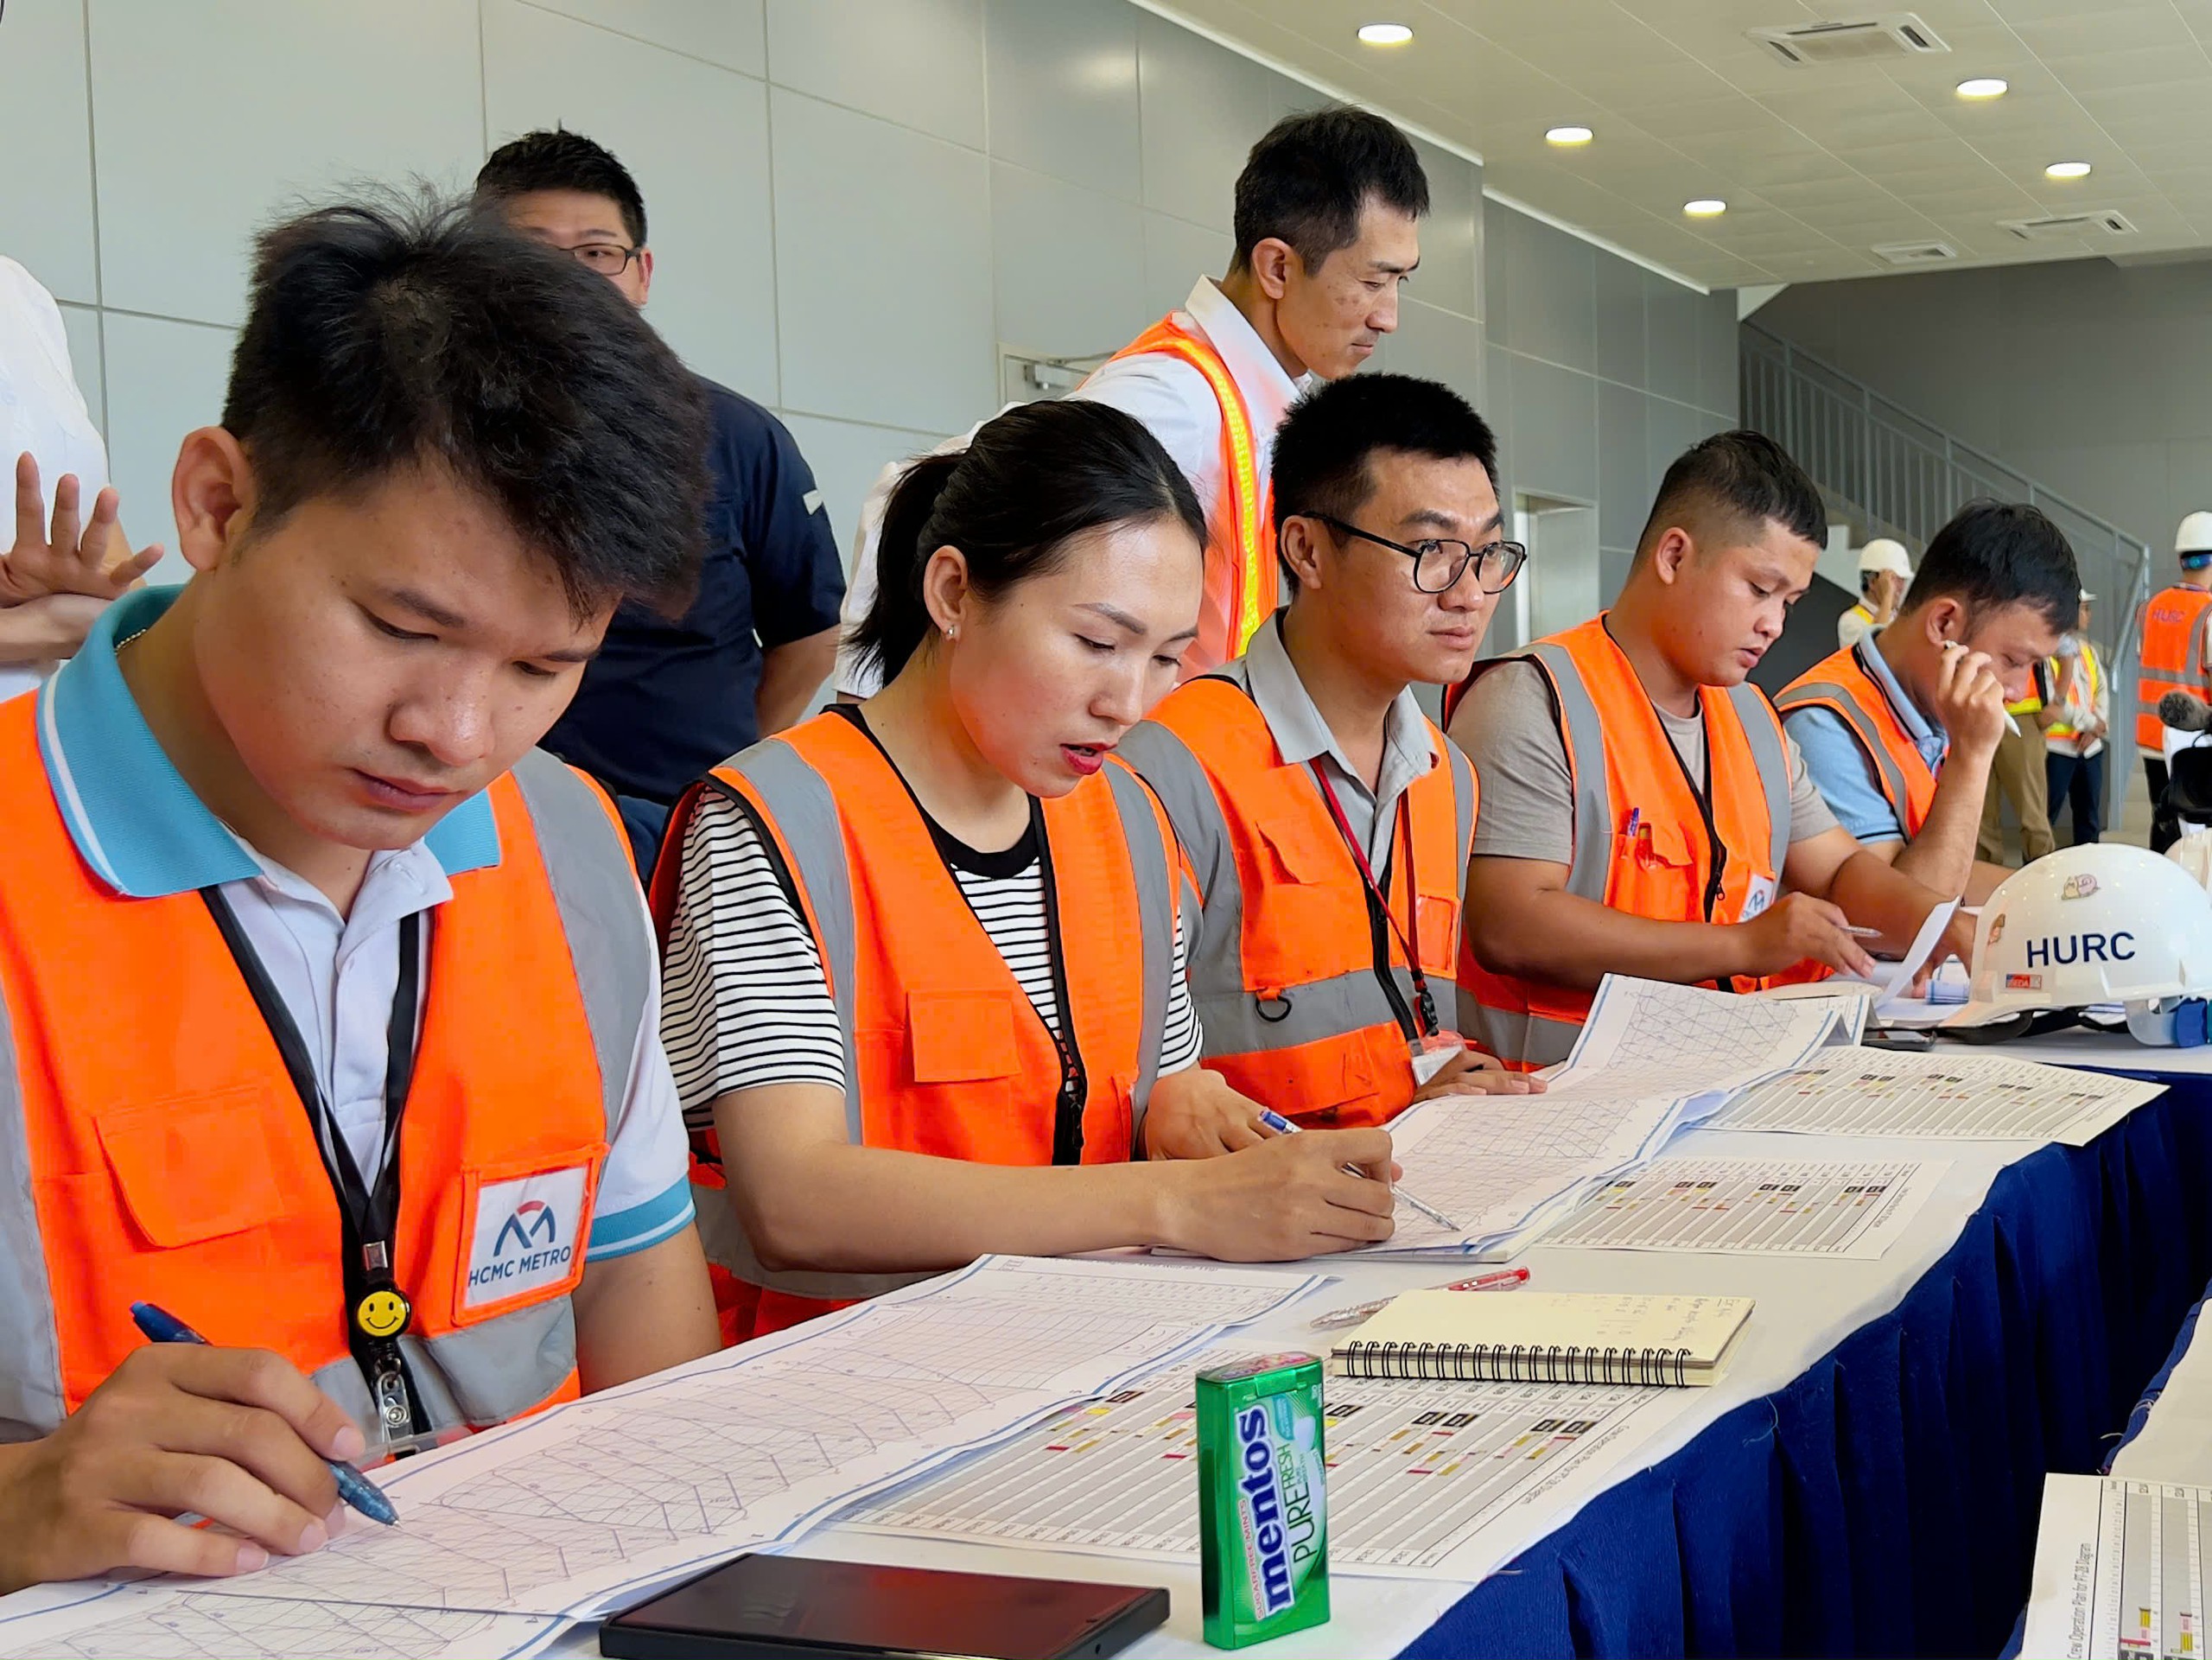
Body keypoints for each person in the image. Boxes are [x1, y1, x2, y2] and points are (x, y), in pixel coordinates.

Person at [0, 196, 721, 1594]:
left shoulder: (566, 845)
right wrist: (21, 1505)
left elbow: (637, 1292)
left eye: (542, 668)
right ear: (217, 503)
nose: (457, 734)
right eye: (404, 628)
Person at [657, 398, 1399, 1341]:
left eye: (1166, 658)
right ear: (955, 592)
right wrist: (1172, 1200)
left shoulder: (1126, 815)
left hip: (1078, 1358)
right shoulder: (773, 824)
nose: (1127, 698)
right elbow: (796, 1197)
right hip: (832, 1390)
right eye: (1096, 643)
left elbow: (1144, 1076)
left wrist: (1195, 1111)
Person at [834, 106, 1429, 697]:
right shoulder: (1175, 398)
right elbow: (909, 495)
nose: (1388, 316)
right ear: (1277, 266)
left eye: (1401, 282)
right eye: (1373, 282)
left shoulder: (1257, 397)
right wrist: (871, 713)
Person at [1449, 431, 1969, 1070]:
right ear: (1674, 554)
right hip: (1557, 1099)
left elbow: (1837, 869)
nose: (1775, 624)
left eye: (1791, 602)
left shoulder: (1750, 715)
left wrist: (1943, 926)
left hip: (1721, 1082)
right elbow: (1511, 924)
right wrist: (1740, 946)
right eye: (1759, 588)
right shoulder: (1534, 700)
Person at [1117, 374, 1535, 1129]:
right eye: (1431, 550)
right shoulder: (1172, 768)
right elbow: (1129, 1092)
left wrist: (1431, 1084)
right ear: (1306, 549)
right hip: (1253, 1225)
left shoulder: (1449, 778)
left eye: (1487, 553)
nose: (1469, 592)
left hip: (1411, 1198)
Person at [476, 130, 845, 873]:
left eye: (596, 253)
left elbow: (810, 632)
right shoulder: (427, 433)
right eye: (532, 252)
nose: (572, 279)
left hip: (681, 837)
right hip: (479, 826)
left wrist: (727, 776)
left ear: (641, 272)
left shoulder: (738, 437)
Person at [1777, 500, 2076, 905]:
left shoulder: (1933, 708)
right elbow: (1896, 918)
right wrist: (1970, 757)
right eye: (2015, 662)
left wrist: (2066, 890)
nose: (2019, 691)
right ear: (1943, 624)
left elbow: (1955, 874)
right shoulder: (1824, 725)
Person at [1, 256, 162, 697]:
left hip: (39, 736)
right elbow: (75, 625)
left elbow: (110, 571)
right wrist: (42, 626)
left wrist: (110, 604)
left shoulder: (21, 294)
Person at [2138, 512, 2212, 854]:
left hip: (2152, 736)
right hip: (2196, 744)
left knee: (2164, 818)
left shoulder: (2150, 607)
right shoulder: (2209, 612)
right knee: (2197, 829)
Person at [1974, 657, 2057, 865]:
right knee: (1980, 813)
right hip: (1977, 711)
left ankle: (2044, 875)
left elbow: (2066, 646)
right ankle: (1985, 882)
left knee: (2031, 810)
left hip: (2021, 714)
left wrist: (2059, 701)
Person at [2044, 588, 2108, 846]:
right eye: (2084, 608)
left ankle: (2089, 874)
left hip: (2090, 748)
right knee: (2045, 818)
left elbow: (2101, 690)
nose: (2088, 615)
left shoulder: (2087, 651)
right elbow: (2053, 702)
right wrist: (2092, 723)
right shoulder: (2047, 651)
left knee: (2089, 820)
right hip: (2057, 749)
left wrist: (2096, 728)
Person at [1837, 537, 1911, 651]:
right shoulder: (1851, 620)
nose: (1901, 587)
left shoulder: (1898, 616)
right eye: (1895, 579)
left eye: (1903, 580)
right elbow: (1876, 649)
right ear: (1872, 581)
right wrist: (1887, 596)